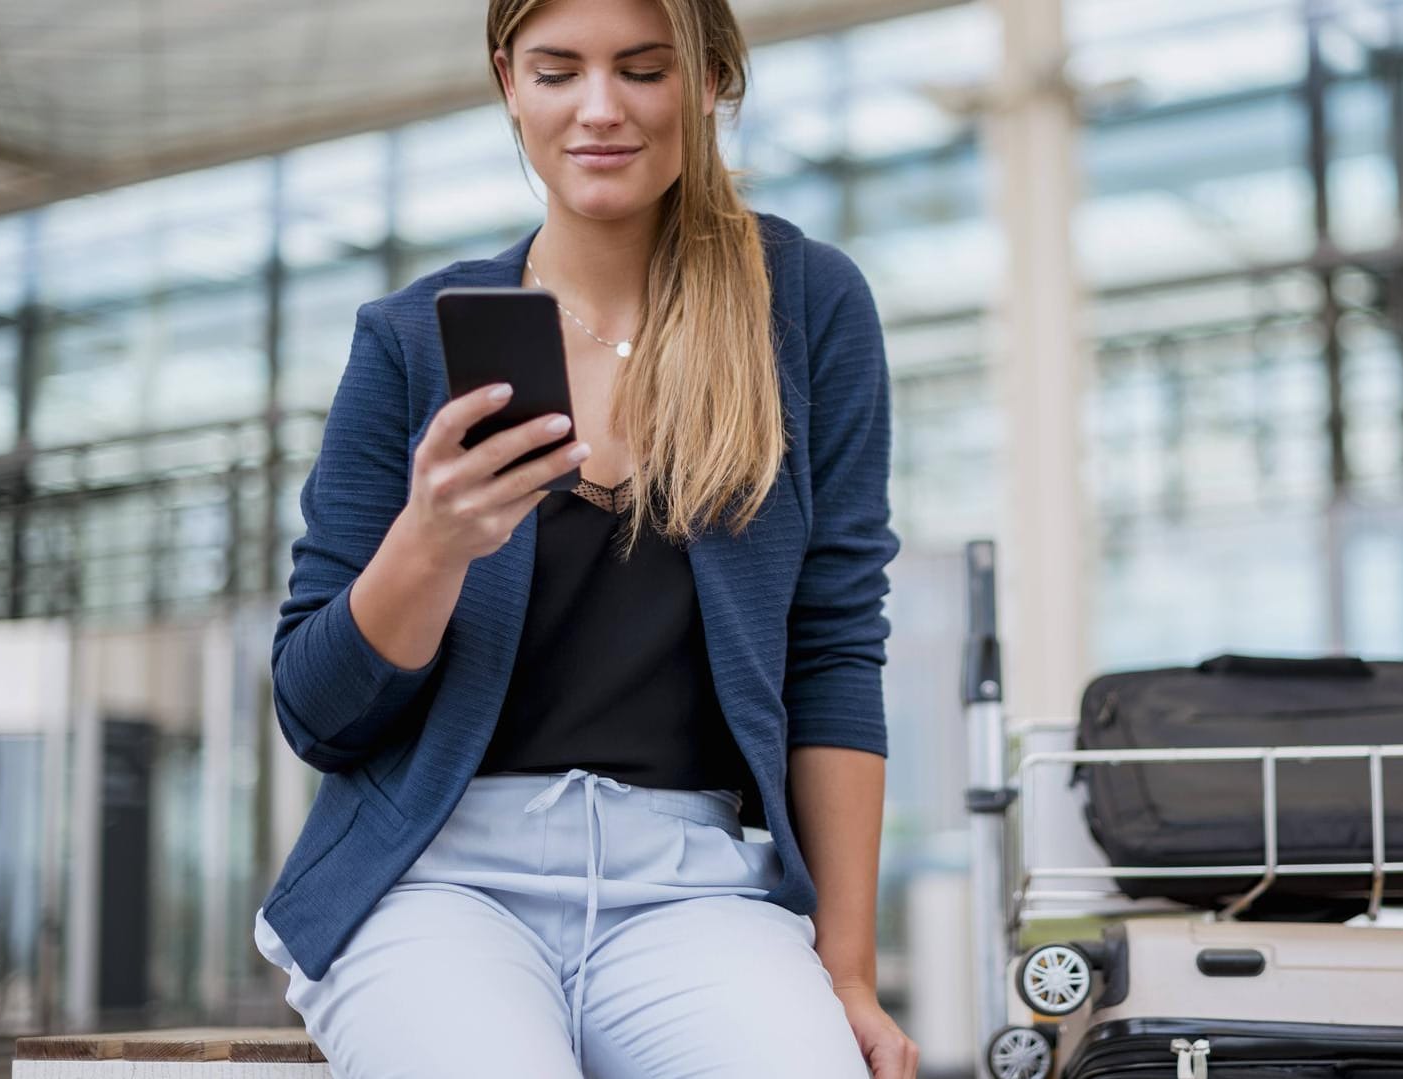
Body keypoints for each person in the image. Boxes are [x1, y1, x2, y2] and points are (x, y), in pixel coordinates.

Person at [247, 0, 914, 1075]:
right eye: (558, 72)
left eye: (642, 70)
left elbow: (836, 650)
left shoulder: (805, 305)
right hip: (434, 880)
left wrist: (846, 972)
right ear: (509, 80)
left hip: (693, 888)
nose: (599, 110)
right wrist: (430, 543)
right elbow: (315, 712)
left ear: (708, 80)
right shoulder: (410, 340)